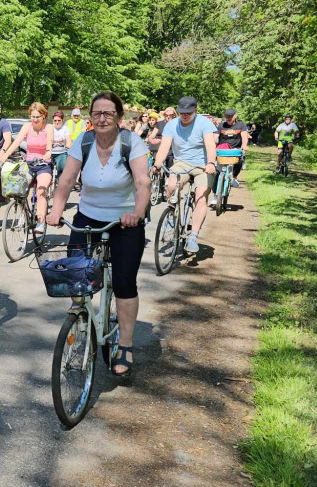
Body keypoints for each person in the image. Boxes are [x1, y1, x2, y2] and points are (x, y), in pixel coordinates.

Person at [49, 91, 152, 377]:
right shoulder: (84, 142)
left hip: (125, 220)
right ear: (90, 117)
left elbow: (143, 182)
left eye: (108, 113)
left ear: (119, 117)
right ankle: (82, 321)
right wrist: (56, 211)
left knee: (123, 282)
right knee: (75, 277)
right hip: (87, 217)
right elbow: (67, 180)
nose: (102, 118)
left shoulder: (132, 143)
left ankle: (126, 344)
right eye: (97, 113)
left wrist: (137, 213)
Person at [152, 96, 218, 254]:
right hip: (181, 163)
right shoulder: (171, 125)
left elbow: (210, 145)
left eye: (188, 112)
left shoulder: (204, 123)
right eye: (182, 112)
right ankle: (172, 217)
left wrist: (210, 163)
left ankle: (193, 237)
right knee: (171, 185)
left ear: (195, 110)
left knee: (201, 197)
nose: (185, 115)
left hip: (202, 165)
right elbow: (164, 146)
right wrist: (157, 163)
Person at [0, 102, 54, 236]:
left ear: (43, 116)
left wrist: (48, 153)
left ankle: (41, 221)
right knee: (18, 188)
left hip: (43, 164)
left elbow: (49, 145)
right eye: (33, 117)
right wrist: (5, 155)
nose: (35, 120)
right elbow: (17, 141)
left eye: (37, 117)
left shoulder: (48, 128)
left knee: (41, 190)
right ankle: (23, 213)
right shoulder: (27, 126)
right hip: (29, 164)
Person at [216, 108, 249, 186]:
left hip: (236, 149)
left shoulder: (241, 125)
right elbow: (215, 137)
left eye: (230, 116)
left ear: (235, 116)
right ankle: (216, 192)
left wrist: (244, 145)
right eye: (227, 116)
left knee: (240, 161)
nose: (228, 118)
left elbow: (244, 136)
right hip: (223, 149)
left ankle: (234, 177)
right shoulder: (221, 125)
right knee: (217, 170)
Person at [50, 110, 72, 180]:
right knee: (45, 170)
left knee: (63, 167)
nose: (57, 122)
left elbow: (68, 140)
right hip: (50, 152)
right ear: (52, 120)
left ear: (62, 120)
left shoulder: (65, 129)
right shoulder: (49, 128)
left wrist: (68, 145)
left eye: (59, 120)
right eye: (55, 120)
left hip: (61, 153)